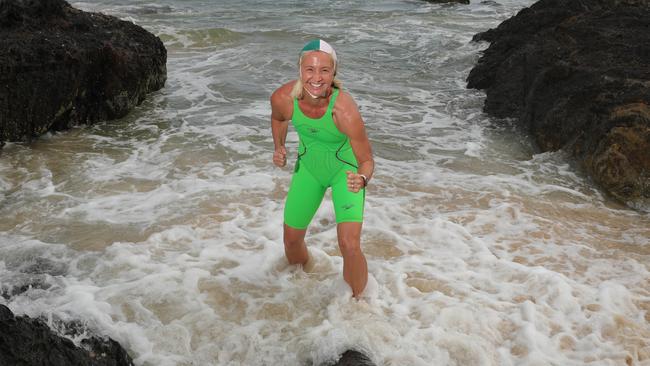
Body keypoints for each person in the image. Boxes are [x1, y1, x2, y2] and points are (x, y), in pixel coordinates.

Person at [270, 39, 374, 298]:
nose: (317, 78)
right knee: (291, 242)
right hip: (309, 170)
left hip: (345, 173)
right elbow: (278, 118)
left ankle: (358, 303)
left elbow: (367, 160)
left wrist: (361, 178)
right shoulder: (283, 98)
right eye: (310, 69)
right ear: (300, 70)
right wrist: (279, 146)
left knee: (349, 245)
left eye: (324, 70)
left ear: (333, 73)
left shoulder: (344, 110)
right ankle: (302, 283)